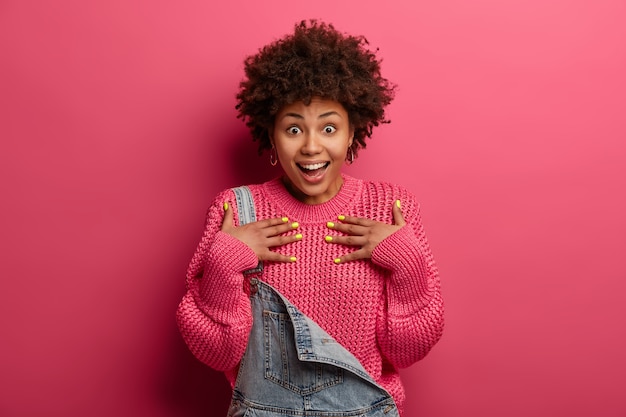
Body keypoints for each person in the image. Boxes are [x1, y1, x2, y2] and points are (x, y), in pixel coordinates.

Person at [176, 20, 444, 417]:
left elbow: (408, 351)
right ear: (271, 134)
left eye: (330, 127)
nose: (312, 146)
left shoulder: (389, 207)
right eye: (294, 128)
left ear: (354, 131)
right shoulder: (236, 210)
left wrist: (408, 265)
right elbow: (215, 354)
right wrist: (223, 262)